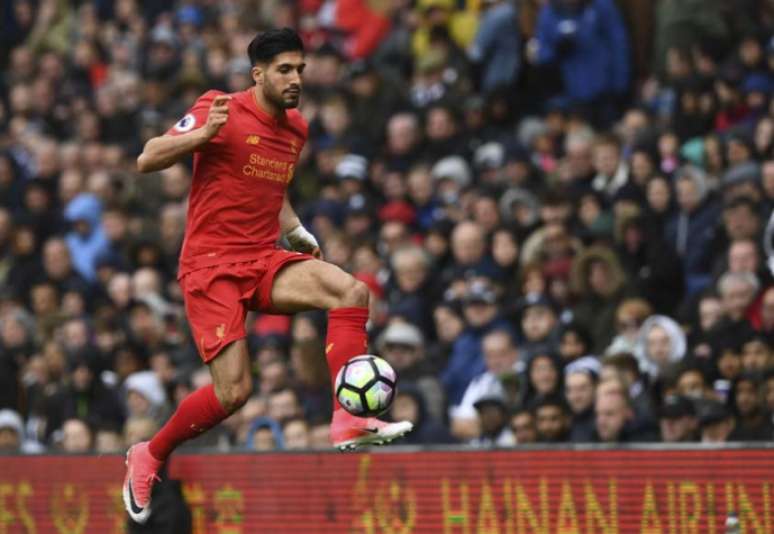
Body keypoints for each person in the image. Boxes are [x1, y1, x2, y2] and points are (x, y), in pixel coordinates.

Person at [123, 28, 412, 523]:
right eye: (284, 70)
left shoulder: (296, 128)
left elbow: (270, 184)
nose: (296, 78)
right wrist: (201, 136)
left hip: (260, 256)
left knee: (350, 290)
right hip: (211, 266)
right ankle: (149, 453)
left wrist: (294, 228)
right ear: (258, 74)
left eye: (300, 68)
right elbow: (147, 157)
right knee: (234, 394)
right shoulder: (219, 107)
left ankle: (349, 418)